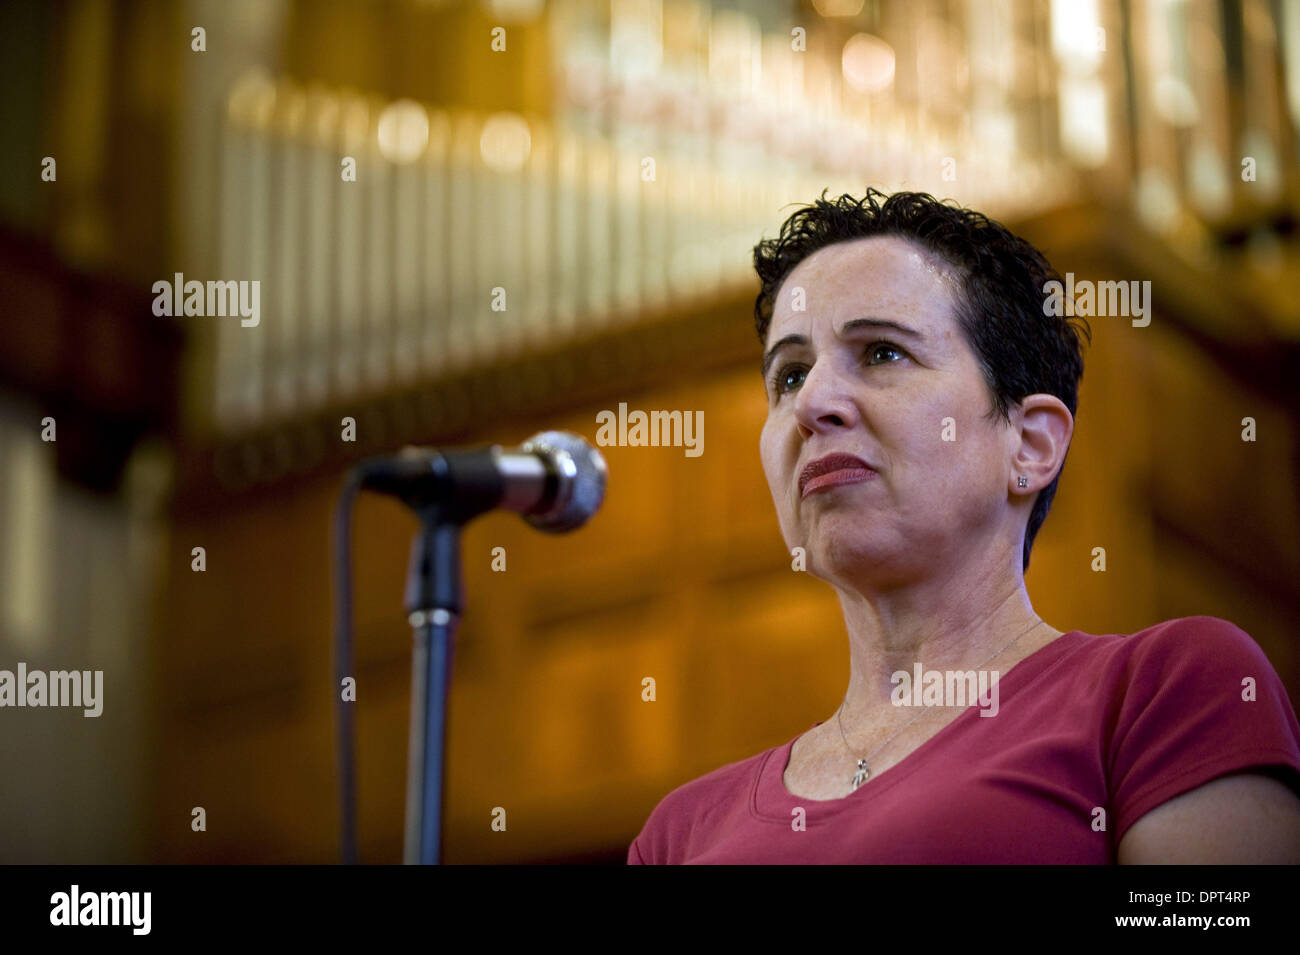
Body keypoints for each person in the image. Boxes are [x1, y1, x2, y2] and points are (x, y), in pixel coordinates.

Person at [627, 189, 1300, 864]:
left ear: (1030, 444)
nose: (813, 404)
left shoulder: (1165, 689)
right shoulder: (679, 832)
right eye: (790, 374)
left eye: (883, 353)